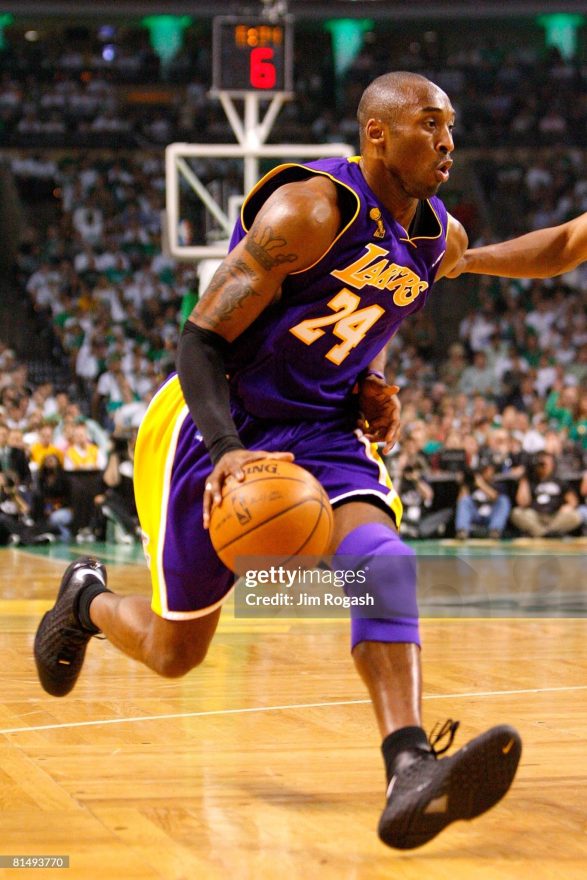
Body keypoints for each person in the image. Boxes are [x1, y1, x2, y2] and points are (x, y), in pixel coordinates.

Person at [35, 71, 524, 851]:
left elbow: (541, 253)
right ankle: (86, 599)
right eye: (429, 124)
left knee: (384, 564)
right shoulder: (308, 210)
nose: (446, 141)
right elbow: (200, 340)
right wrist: (227, 452)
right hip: (221, 420)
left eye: (450, 126)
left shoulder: (436, 237)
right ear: (376, 134)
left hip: (323, 429)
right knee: (173, 652)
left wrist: (368, 378)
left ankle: (408, 766)